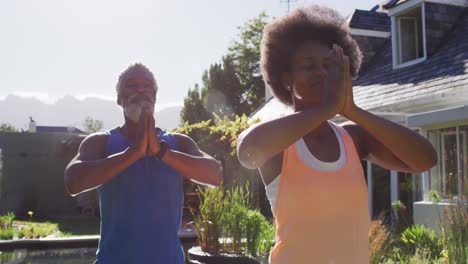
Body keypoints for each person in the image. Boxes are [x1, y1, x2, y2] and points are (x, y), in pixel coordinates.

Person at [236, 5, 437, 264]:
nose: (320, 72)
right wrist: (327, 108)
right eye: (309, 66)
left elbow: (426, 159)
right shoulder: (281, 142)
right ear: (287, 79)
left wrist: (352, 110)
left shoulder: (353, 139)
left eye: (328, 66)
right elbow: (247, 150)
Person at [65, 63, 222, 264]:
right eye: (132, 85)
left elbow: (215, 175)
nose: (141, 89)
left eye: (147, 85)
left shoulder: (179, 143)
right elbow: (73, 181)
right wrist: (133, 153)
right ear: (119, 98)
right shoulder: (100, 142)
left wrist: (162, 152)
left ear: (155, 97)